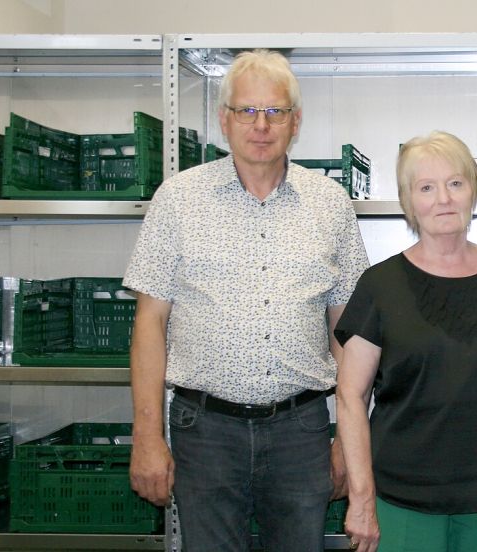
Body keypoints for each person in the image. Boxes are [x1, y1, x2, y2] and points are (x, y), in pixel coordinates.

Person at [123, 49, 369, 552]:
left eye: (275, 111)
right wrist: (147, 437)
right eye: (247, 111)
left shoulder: (330, 204)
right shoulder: (178, 199)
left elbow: (349, 333)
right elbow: (149, 323)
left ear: (295, 121)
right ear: (224, 120)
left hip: (301, 431)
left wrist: (347, 439)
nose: (261, 125)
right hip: (203, 430)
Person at [335, 131, 477, 552]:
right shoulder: (380, 285)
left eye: (455, 183)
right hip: (404, 495)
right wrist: (361, 497)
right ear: (409, 202)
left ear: (473, 191)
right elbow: (350, 396)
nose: (443, 198)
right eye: (426, 187)